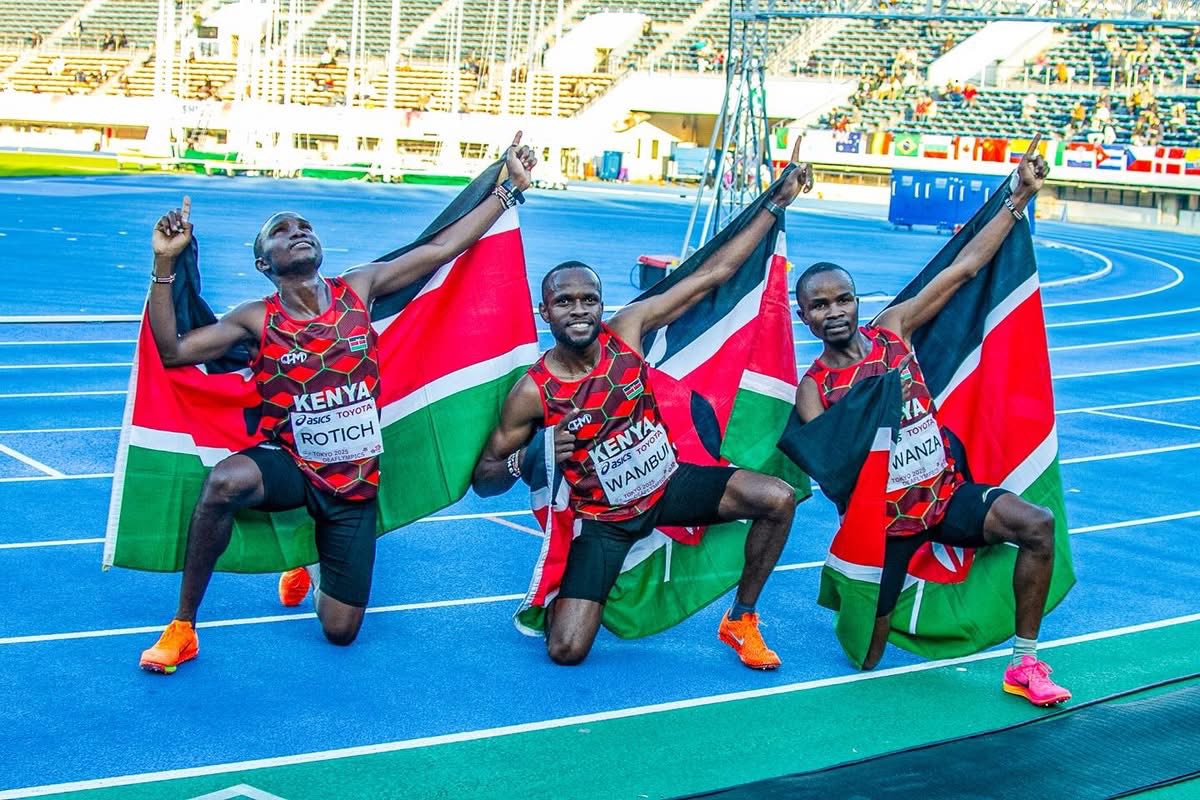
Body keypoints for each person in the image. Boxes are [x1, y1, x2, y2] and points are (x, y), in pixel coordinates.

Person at [136, 133, 537, 675]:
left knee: (340, 632)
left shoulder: (359, 287)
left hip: (354, 483)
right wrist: (165, 264)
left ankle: (308, 558)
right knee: (225, 483)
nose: (297, 232)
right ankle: (183, 625)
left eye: (304, 226)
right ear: (264, 263)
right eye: (281, 231)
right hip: (293, 465)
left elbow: (441, 250)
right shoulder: (257, 318)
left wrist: (508, 191)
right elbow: (175, 350)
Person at [470, 157, 813, 671]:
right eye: (565, 302)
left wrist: (774, 202)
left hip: (669, 487)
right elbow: (485, 479)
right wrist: (533, 458)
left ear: (602, 304)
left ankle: (741, 619)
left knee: (778, 498)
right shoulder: (533, 391)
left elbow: (712, 274)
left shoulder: (627, 331)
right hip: (602, 521)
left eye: (589, 299)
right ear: (547, 313)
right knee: (566, 650)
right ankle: (575, 591)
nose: (579, 310)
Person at [792, 137, 1071, 707]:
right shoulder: (813, 390)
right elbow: (835, 482)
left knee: (1037, 525)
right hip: (885, 523)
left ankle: (1024, 661)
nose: (835, 310)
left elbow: (965, 268)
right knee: (867, 656)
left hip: (944, 496)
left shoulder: (893, 328)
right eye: (820, 306)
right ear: (805, 317)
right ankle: (864, 596)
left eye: (843, 298)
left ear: (855, 300)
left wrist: (1017, 199)